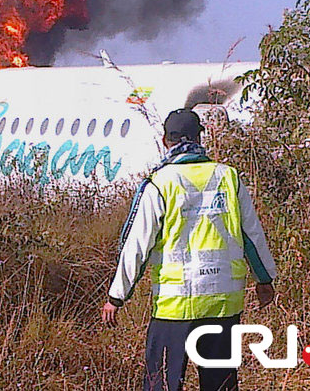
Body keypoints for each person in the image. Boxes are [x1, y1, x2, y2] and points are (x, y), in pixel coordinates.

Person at [101, 108, 277, 391]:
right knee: (221, 385)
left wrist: (116, 297)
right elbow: (252, 235)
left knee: (162, 383)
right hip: (222, 303)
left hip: (175, 307)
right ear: (200, 138)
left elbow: (136, 246)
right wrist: (264, 280)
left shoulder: (159, 184)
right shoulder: (229, 178)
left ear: (164, 140)